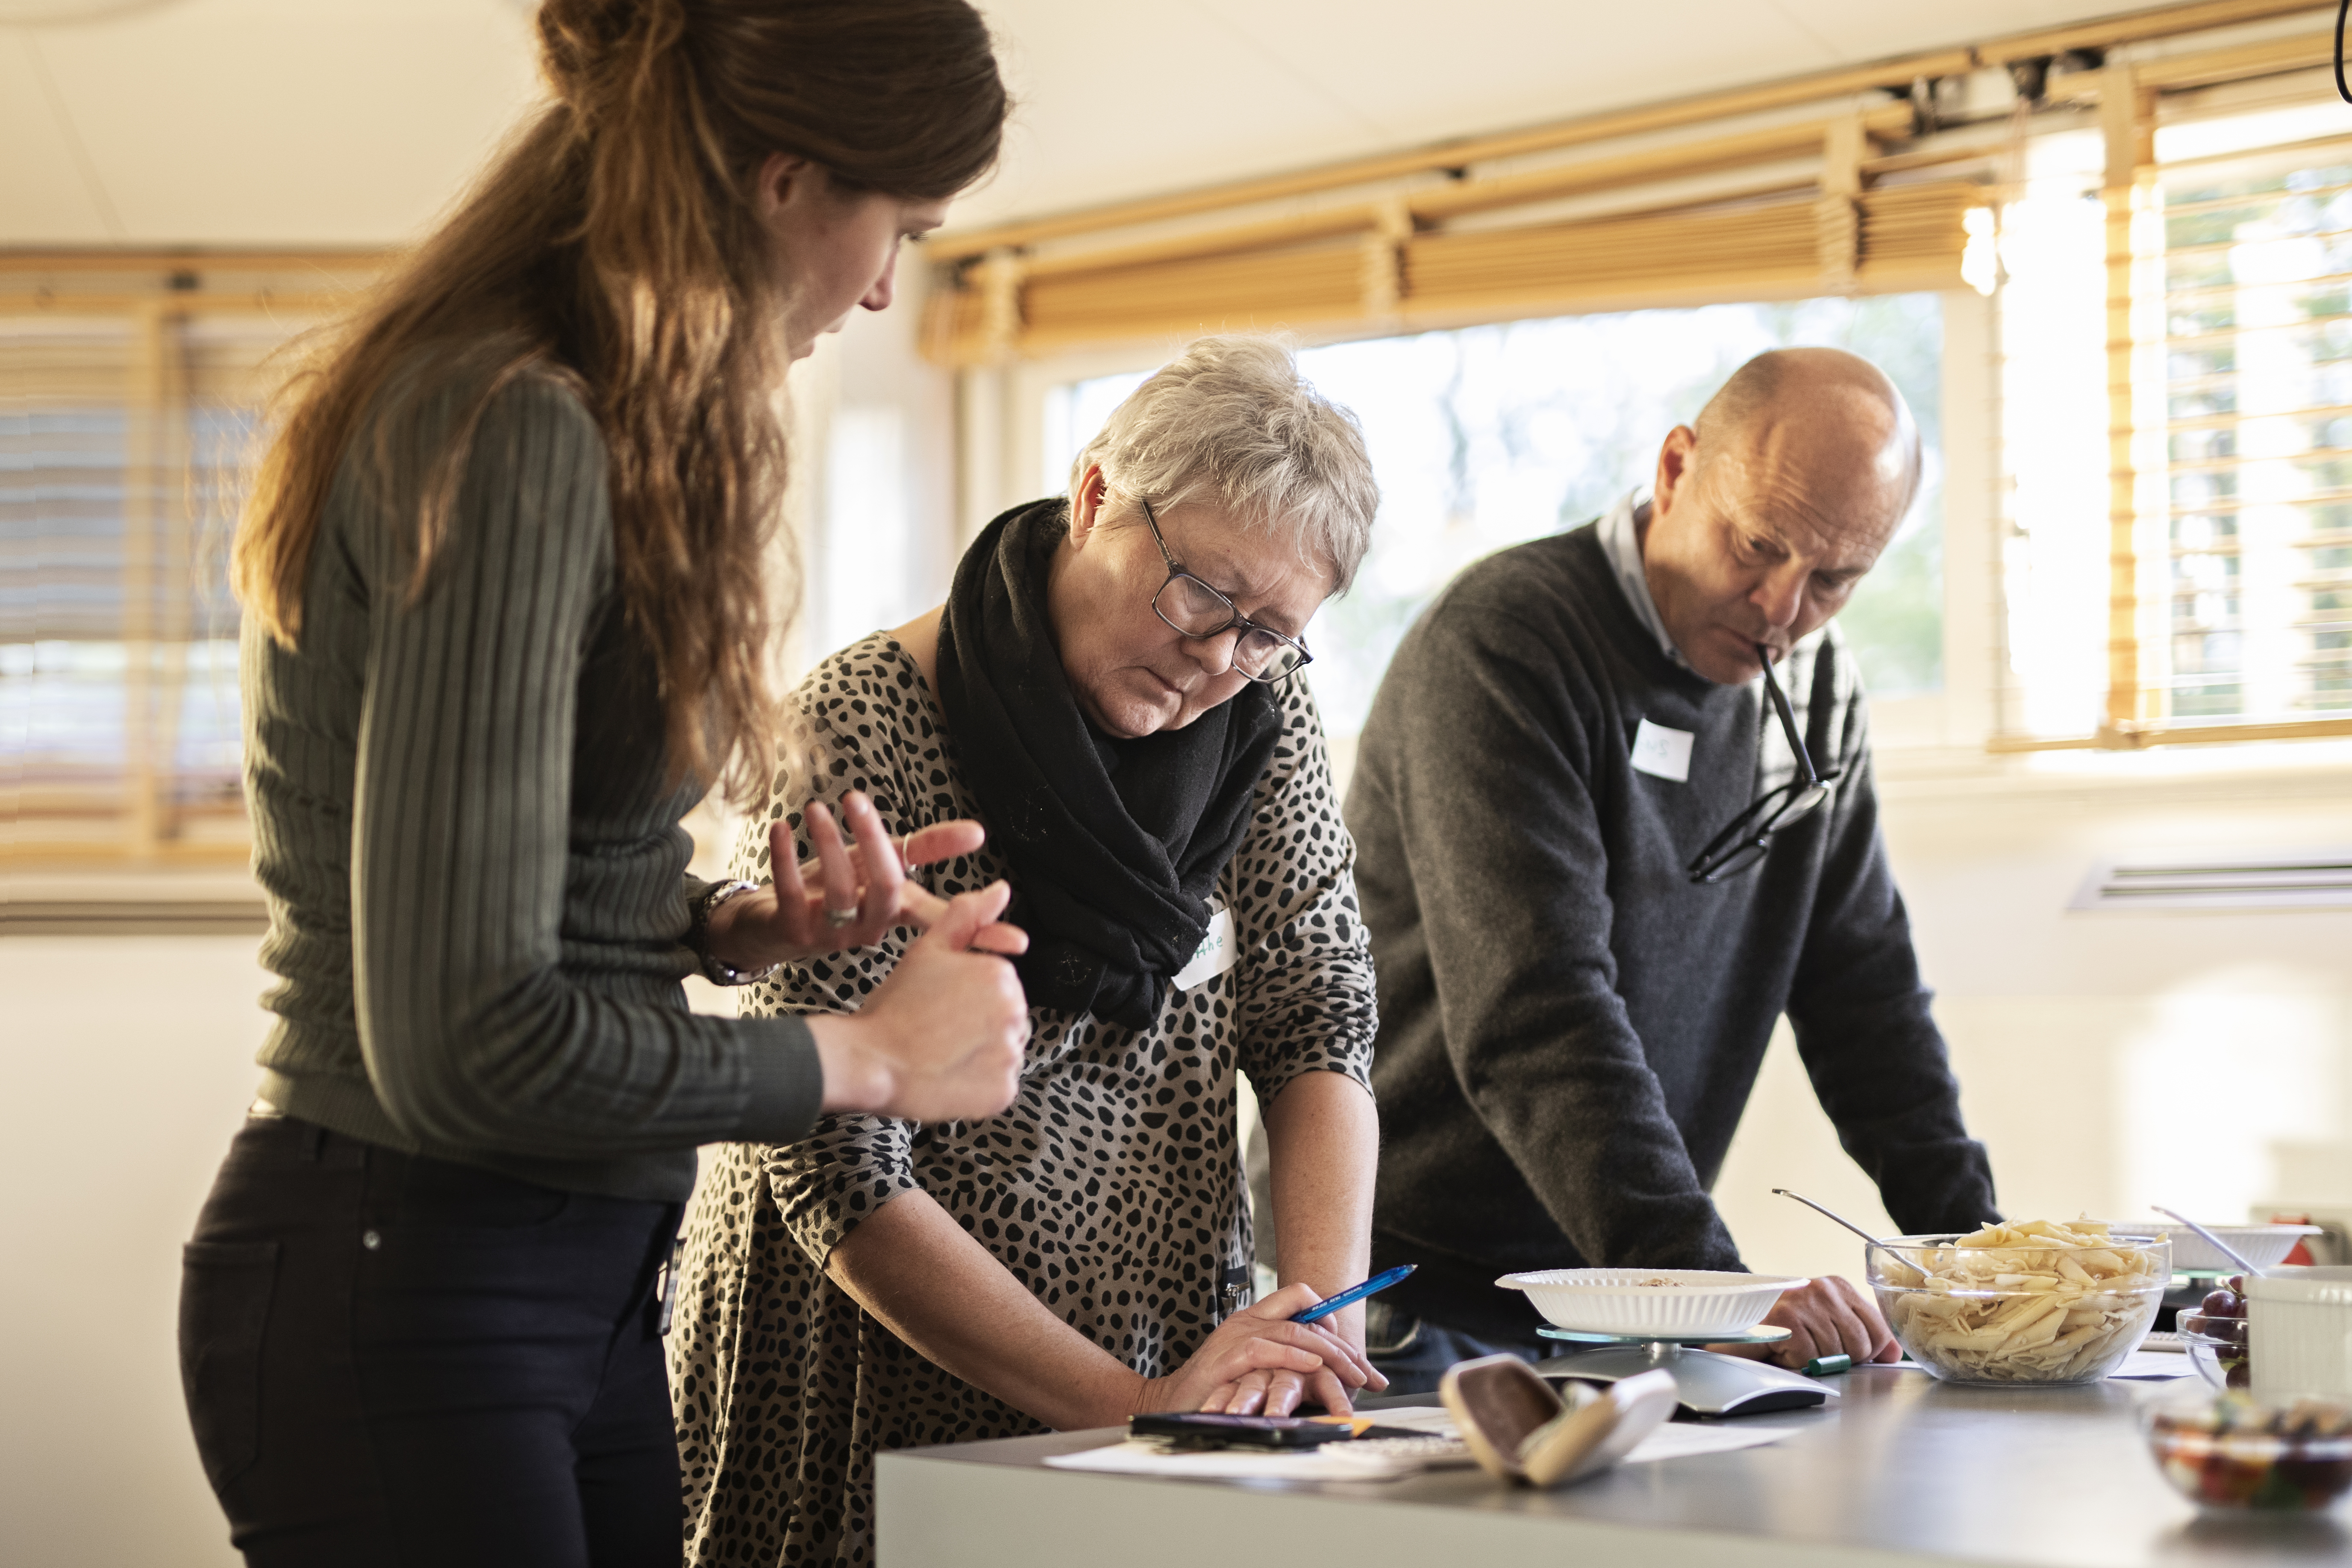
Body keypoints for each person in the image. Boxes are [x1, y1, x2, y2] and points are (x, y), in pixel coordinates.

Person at [179, 4, 1024, 1564]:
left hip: (550, 1280)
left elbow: (517, 900)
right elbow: (464, 1043)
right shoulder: (508, 427)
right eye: (894, 225)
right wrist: (865, 1060)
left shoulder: (555, 416)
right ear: (783, 180)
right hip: (416, 1277)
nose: (886, 284)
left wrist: (716, 932)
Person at [670, 335, 1388, 1568]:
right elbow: (833, 1163)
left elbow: (1315, 1016)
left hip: (1175, 1341)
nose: (1222, 657)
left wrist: (1304, 1323)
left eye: (1270, 630)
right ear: (1097, 493)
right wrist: (1131, 1402)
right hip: (885, 1359)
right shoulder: (859, 724)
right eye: (1202, 596)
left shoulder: (1264, 722)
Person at [1346, 347, 1998, 1391]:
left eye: (1835, 578)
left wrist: (1984, 1261)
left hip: (1620, 1286)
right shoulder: (1508, 642)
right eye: (1759, 544)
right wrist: (1713, 1293)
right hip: (1415, 1289)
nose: (1782, 607)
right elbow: (1537, 1013)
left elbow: (1863, 994)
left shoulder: (1815, 687)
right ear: (1675, 467)